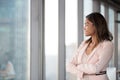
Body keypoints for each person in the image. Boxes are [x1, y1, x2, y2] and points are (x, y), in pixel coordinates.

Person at [66, 12, 113, 80]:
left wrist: (79, 66)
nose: (84, 28)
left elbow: (96, 69)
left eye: (86, 24)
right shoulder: (84, 44)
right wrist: (81, 73)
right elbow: (69, 65)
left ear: (96, 25)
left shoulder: (107, 45)